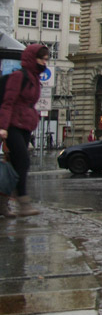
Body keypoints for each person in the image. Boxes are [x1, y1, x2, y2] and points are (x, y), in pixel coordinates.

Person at [0, 44, 49, 217]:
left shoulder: (34, 78)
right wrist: (3, 127)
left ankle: (3, 204)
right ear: (31, 58)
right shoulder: (18, 76)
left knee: (14, 167)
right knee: (22, 162)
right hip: (13, 125)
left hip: (25, 126)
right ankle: (23, 202)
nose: (44, 62)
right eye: (42, 59)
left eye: (46, 59)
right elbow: (8, 102)